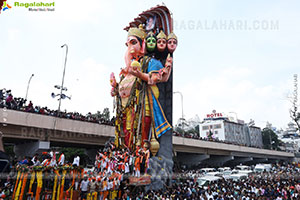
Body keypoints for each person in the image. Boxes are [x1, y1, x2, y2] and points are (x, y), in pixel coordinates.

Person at [111, 24, 172, 151]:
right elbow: (123, 90)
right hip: (125, 109)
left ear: (143, 44)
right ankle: (127, 152)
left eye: (133, 43)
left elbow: (156, 78)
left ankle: (142, 150)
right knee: (125, 134)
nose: (130, 48)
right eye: (128, 45)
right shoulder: (127, 71)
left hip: (142, 106)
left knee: (139, 132)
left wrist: (138, 74)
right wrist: (115, 88)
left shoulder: (150, 62)